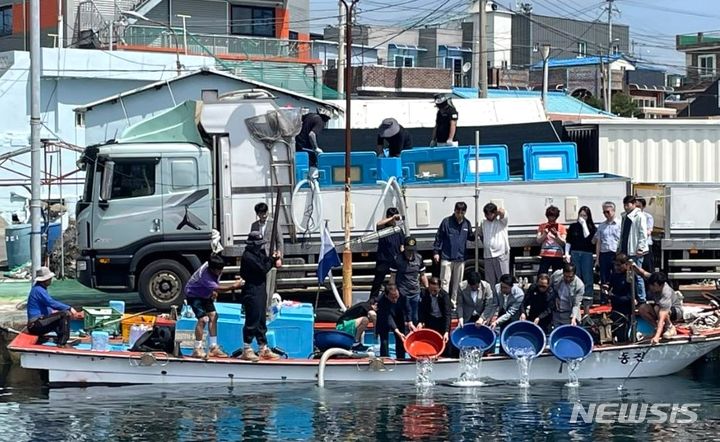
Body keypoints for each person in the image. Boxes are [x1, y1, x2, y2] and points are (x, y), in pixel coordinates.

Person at [185, 254, 244, 358]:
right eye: (218, 270)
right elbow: (219, 289)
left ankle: (213, 347)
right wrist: (234, 286)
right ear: (212, 269)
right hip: (193, 294)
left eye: (221, 269)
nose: (220, 272)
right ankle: (197, 349)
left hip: (205, 293)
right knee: (203, 319)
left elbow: (215, 284)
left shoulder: (215, 266)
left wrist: (212, 290)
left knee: (214, 316)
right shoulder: (205, 275)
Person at [239, 231, 281, 361]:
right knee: (253, 318)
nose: (259, 246)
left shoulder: (259, 254)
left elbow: (265, 261)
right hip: (252, 289)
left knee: (261, 318)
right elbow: (263, 268)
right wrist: (271, 261)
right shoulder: (248, 256)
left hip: (261, 288)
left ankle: (263, 347)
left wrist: (273, 258)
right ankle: (247, 348)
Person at [433, 201, 475, 307]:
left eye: (462, 212)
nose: (460, 214)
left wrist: (478, 232)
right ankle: (444, 303)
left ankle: (454, 303)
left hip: (460, 258)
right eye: (458, 211)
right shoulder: (446, 222)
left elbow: (471, 237)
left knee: (458, 283)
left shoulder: (467, 223)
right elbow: (439, 237)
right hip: (447, 257)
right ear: (454, 210)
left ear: (465, 212)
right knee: (445, 282)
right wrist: (436, 252)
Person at [26, 266, 79, 347]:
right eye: (49, 278)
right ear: (44, 280)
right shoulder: (38, 290)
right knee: (65, 314)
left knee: (59, 315)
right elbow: (51, 303)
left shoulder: (40, 289)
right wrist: (70, 308)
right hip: (35, 325)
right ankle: (62, 343)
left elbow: (47, 305)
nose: (51, 280)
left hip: (38, 323)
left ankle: (61, 338)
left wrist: (54, 312)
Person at [633, 267, 684, 345]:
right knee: (642, 308)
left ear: (659, 285)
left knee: (657, 308)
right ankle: (656, 327)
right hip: (659, 307)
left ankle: (670, 327)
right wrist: (633, 265)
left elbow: (661, 317)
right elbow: (642, 272)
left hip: (675, 311)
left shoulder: (666, 293)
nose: (650, 288)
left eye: (653, 286)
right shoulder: (653, 278)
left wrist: (656, 336)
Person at [251, 202, 283, 310]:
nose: (263, 215)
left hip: (270, 256)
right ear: (257, 214)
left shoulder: (273, 223)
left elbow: (279, 241)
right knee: (260, 282)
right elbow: (252, 242)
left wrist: (279, 257)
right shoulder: (254, 225)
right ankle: (261, 304)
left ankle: (268, 305)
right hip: (259, 257)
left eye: (264, 213)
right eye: (260, 213)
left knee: (270, 280)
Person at [390, 236, 428, 325]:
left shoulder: (419, 258)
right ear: (404, 248)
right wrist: (392, 290)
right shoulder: (397, 259)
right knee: (404, 318)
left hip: (415, 292)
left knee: (415, 317)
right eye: (408, 250)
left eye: (412, 250)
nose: (410, 252)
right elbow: (392, 276)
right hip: (402, 293)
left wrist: (427, 288)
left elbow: (423, 275)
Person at [618, 195, 649, 303]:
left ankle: (642, 299)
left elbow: (643, 233)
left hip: (635, 251)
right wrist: (619, 247)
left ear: (634, 204)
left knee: (638, 275)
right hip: (626, 250)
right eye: (624, 205)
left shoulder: (639, 216)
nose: (626, 207)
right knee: (628, 276)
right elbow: (622, 234)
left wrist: (640, 248)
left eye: (628, 204)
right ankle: (631, 297)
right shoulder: (624, 216)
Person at [565, 206, 597, 308]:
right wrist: (567, 253)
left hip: (587, 254)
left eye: (584, 215)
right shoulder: (573, 226)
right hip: (575, 252)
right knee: (576, 276)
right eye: (581, 215)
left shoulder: (592, 227)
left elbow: (588, 237)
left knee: (588, 277)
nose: (582, 217)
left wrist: (584, 225)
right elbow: (568, 241)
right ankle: (576, 300)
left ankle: (588, 301)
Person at [370, 208, 405, 301]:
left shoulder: (398, 229)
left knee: (397, 281)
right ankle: (373, 299)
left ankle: (397, 297)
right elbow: (378, 224)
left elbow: (402, 243)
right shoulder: (382, 228)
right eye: (392, 217)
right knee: (378, 281)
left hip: (395, 259)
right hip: (384, 259)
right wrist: (392, 218)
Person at [603, 253, 635, 343]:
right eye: (615, 265)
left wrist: (614, 297)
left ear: (626, 264)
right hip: (615, 308)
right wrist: (606, 287)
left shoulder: (630, 277)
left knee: (622, 335)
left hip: (626, 310)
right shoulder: (614, 274)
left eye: (619, 265)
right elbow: (610, 284)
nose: (616, 267)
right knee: (612, 331)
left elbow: (629, 297)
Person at [593, 201, 621, 303]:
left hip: (615, 253)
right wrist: (597, 258)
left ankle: (616, 296)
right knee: (604, 277)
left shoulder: (619, 224)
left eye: (608, 212)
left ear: (613, 211)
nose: (606, 214)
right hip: (604, 253)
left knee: (616, 275)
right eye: (604, 212)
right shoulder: (601, 226)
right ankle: (604, 298)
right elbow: (598, 242)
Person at [376, 283, 412, 359]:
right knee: (384, 338)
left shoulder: (403, 295)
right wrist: (397, 331)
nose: (395, 300)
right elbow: (389, 318)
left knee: (401, 338)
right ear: (386, 295)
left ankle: (401, 357)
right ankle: (385, 358)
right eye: (392, 298)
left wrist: (410, 321)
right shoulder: (381, 301)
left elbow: (408, 309)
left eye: (396, 297)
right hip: (385, 317)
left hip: (399, 315)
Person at [479, 203, 509, 290]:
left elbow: (503, 213)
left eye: (490, 213)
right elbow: (481, 235)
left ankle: (504, 300)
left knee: (503, 279)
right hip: (488, 255)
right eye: (486, 214)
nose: (488, 216)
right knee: (490, 281)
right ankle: (492, 300)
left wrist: (497, 211)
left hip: (500, 254)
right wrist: (486, 244)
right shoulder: (483, 223)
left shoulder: (502, 222)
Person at [548, 263, 585, 328]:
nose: (568, 279)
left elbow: (576, 304)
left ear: (574, 274)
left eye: (570, 277)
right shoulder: (556, 275)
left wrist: (573, 318)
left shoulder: (579, 285)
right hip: (556, 313)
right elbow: (549, 287)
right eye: (566, 276)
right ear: (563, 273)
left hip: (569, 314)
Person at [417, 277, 452, 345]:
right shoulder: (424, 293)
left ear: (439, 288)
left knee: (445, 343)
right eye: (431, 290)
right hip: (430, 319)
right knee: (430, 342)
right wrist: (421, 321)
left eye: (435, 290)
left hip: (441, 320)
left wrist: (446, 331)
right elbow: (421, 309)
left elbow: (447, 314)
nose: (433, 292)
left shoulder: (445, 296)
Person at [536, 205, 567, 275]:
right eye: (550, 216)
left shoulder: (561, 227)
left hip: (557, 255)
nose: (552, 218)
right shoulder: (542, 226)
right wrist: (545, 234)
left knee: (557, 275)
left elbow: (563, 242)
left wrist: (556, 235)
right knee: (542, 274)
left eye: (553, 216)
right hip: (545, 254)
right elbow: (538, 240)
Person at [636, 197, 655, 274]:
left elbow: (649, 231)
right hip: (635, 245)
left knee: (647, 266)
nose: (637, 208)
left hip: (646, 245)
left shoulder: (648, 216)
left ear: (643, 207)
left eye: (639, 206)